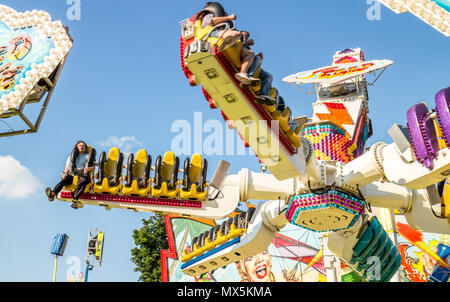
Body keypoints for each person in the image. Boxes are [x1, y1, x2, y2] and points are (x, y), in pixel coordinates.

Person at [200, 2, 258, 85]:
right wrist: (228, 17)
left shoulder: (224, 21)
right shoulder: (208, 14)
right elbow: (211, 22)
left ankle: (243, 73)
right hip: (212, 32)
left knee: (251, 53)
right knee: (236, 34)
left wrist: (246, 42)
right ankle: (224, 45)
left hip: (225, 34)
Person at [45, 140, 95, 209]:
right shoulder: (71, 157)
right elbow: (68, 167)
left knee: (83, 181)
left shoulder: (87, 156)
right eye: (80, 145)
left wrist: (88, 169)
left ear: (85, 149)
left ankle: (75, 201)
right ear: (76, 147)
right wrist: (64, 174)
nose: (81, 147)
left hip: (82, 174)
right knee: (65, 179)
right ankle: (53, 194)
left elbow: (93, 168)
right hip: (73, 174)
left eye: (83, 146)